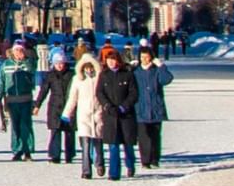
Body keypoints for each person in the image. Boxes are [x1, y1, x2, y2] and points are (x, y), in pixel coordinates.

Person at [94, 45, 140, 179]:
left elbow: (134, 94)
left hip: (126, 116)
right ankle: (114, 173)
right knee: (113, 146)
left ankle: (130, 165)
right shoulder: (104, 75)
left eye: (113, 60)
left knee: (127, 145)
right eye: (108, 60)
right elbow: (99, 92)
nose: (111, 63)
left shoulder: (127, 74)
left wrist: (123, 107)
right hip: (110, 116)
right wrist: (107, 106)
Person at [132, 43, 175, 167]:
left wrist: (161, 66)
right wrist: (129, 67)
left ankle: (155, 159)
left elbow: (166, 79)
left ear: (151, 57)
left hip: (155, 108)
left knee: (155, 135)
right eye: (142, 57)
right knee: (143, 136)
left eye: (146, 57)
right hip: (140, 108)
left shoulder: (156, 71)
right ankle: (145, 161)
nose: (144, 60)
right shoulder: (136, 71)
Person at [0, 38, 37, 160]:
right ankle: (17, 149)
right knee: (15, 125)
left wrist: (24, 61)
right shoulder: (6, 65)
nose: (19, 52)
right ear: (12, 51)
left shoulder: (28, 63)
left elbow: (32, 71)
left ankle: (28, 150)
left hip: (25, 99)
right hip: (12, 100)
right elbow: (1, 82)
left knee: (26, 124)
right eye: (16, 50)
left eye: (21, 50)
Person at [65, 54, 104, 178]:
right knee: (85, 144)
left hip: (98, 114)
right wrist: (67, 113)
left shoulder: (99, 77)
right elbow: (72, 98)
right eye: (86, 68)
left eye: (91, 67)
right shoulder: (78, 79)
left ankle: (99, 163)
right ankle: (86, 170)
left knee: (98, 142)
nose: (89, 70)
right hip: (83, 115)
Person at [36, 48, 76, 165]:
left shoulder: (71, 74)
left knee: (69, 132)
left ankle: (69, 155)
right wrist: (37, 104)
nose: (60, 66)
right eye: (57, 63)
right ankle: (55, 155)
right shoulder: (50, 76)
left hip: (69, 106)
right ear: (53, 64)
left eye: (61, 63)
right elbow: (44, 91)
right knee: (55, 131)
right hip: (55, 107)